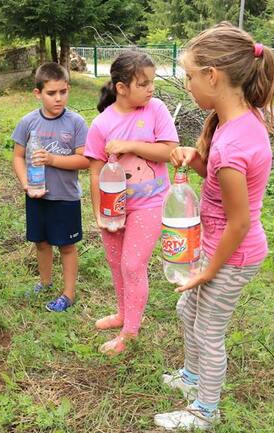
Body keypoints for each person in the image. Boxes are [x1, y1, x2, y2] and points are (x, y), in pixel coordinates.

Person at [154, 22, 274, 431]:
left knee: (209, 330)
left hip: (233, 253)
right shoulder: (238, 121)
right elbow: (220, 181)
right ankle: (192, 378)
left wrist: (207, 269)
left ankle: (205, 411)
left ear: (213, 76)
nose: (187, 84)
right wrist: (197, 157)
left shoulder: (233, 143)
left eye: (190, 76)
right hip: (222, 245)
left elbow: (239, 223)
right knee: (185, 307)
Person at [84, 51, 179, 354]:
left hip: (150, 203)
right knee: (116, 263)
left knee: (132, 264)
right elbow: (95, 171)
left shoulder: (156, 110)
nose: (151, 88)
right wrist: (99, 210)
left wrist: (130, 145)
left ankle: (130, 333)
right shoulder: (101, 124)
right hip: (114, 207)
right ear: (121, 88)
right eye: (143, 83)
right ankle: (124, 314)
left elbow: (169, 152)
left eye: (151, 82)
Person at [11, 62, 89, 312]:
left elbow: (85, 159)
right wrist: (25, 184)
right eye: (51, 93)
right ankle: (44, 283)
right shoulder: (28, 122)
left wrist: (53, 160)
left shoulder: (76, 122)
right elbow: (17, 156)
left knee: (66, 246)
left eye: (63, 92)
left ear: (68, 89)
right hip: (36, 196)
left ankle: (68, 294)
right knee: (41, 242)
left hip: (65, 197)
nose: (58, 98)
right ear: (38, 93)